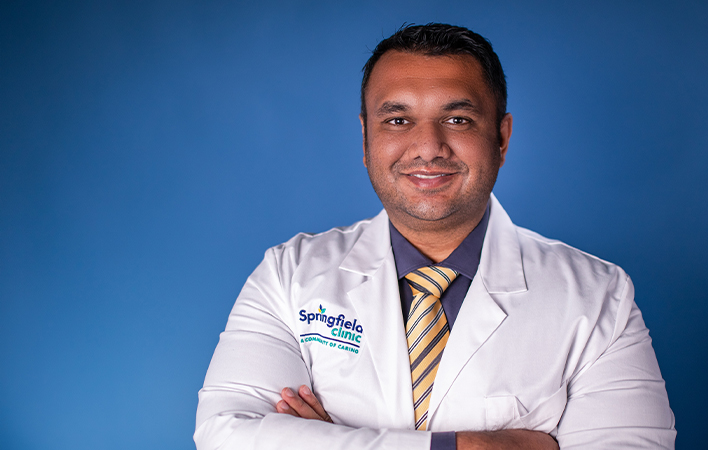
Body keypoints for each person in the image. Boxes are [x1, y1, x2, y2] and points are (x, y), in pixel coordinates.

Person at [194, 24, 676, 450]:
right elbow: (225, 436)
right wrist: (474, 447)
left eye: (457, 119)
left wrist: (327, 439)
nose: (428, 146)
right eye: (398, 120)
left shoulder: (599, 297)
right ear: (366, 138)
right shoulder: (288, 275)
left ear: (501, 138)